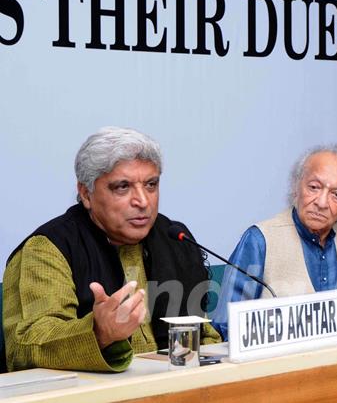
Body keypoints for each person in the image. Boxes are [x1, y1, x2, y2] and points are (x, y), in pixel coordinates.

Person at [3, 127, 221, 372]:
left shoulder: (174, 238)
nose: (143, 201)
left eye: (151, 184)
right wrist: (98, 333)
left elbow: (204, 336)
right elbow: (26, 348)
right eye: (122, 187)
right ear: (86, 193)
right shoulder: (49, 248)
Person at [213, 145, 337, 339]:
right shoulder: (260, 239)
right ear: (296, 186)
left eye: (336, 195)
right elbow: (228, 325)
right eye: (314, 187)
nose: (322, 203)